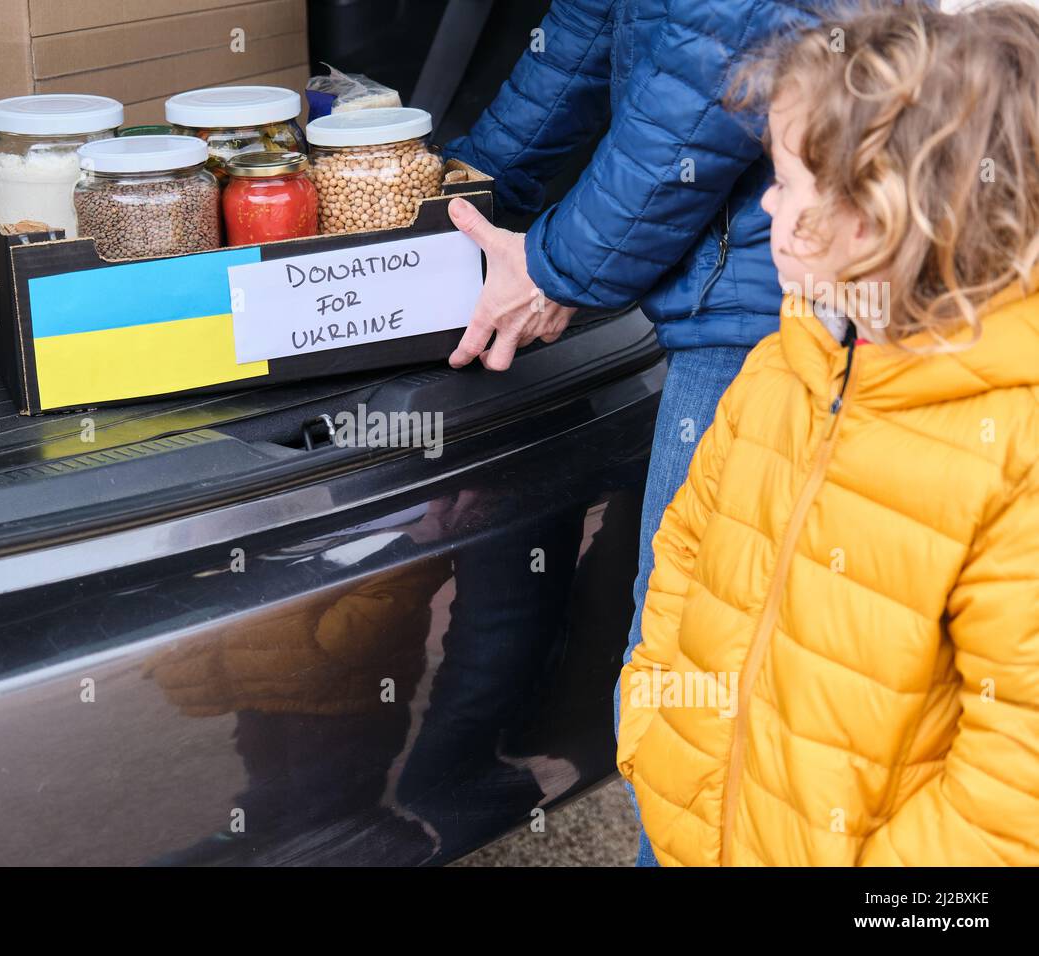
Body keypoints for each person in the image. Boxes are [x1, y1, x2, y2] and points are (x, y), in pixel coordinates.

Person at [617, 1, 1039, 865]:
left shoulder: (1010, 451)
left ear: (882, 215)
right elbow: (683, 557)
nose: (766, 204)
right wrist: (650, 729)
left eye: (787, 182)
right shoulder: (782, 369)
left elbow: (1014, 789)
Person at [439, 0, 824, 865]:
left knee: (701, 659)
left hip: (761, 309)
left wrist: (555, 269)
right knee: (688, 638)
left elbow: (699, 82)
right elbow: (584, 28)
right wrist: (462, 190)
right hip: (736, 297)